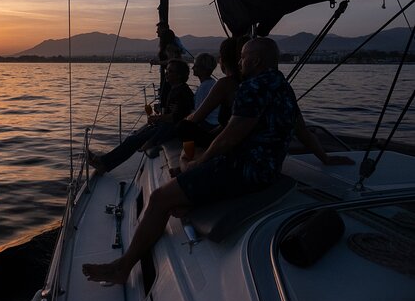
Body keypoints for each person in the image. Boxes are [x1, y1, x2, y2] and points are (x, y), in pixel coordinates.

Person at [81, 37, 311, 285]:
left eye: (244, 57)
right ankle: (188, 198)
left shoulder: (253, 87)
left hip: (243, 170)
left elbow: (228, 140)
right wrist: (325, 158)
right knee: (183, 185)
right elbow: (301, 129)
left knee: (160, 198)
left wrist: (200, 164)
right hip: (267, 169)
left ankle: (122, 267)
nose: (240, 62)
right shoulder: (284, 87)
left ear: (255, 61)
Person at [87, 59, 194, 174]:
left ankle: (103, 162)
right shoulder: (177, 89)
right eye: (167, 70)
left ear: (179, 75)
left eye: (170, 71)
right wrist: (159, 116)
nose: (166, 73)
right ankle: (105, 164)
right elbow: (173, 114)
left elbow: (176, 118)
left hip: (170, 130)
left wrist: (157, 118)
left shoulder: (181, 93)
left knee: (133, 140)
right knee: (132, 139)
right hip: (164, 126)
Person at [175, 36, 248, 150]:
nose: (193, 68)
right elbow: (228, 124)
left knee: (182, 127)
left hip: (231, 142)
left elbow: (197, 117)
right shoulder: (248, 83)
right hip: (232, 135)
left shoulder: (225, 84)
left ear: (222, 60)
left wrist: (183, 120)